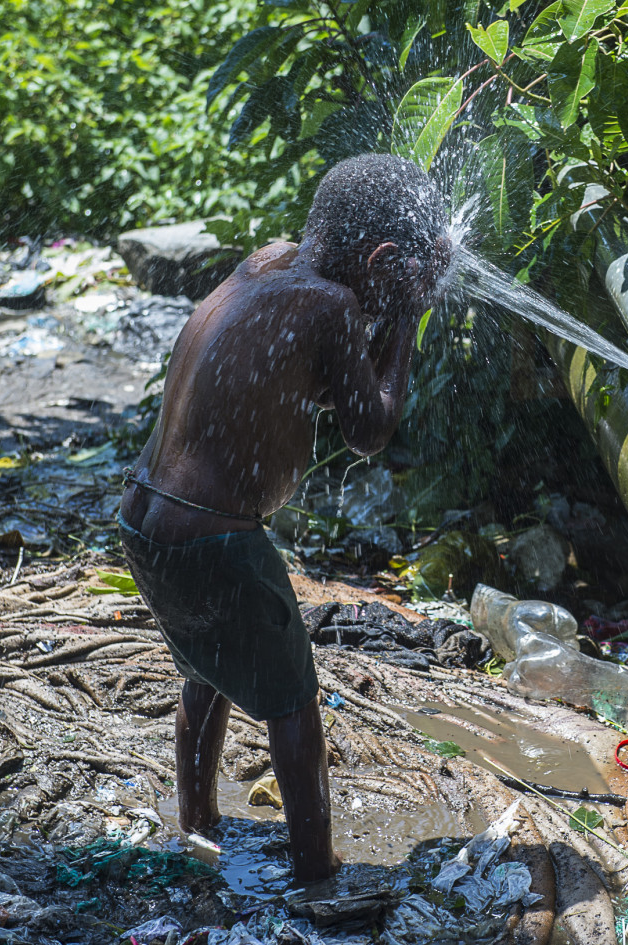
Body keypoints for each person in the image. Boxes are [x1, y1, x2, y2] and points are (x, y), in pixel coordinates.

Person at [118, 154, 451, 882]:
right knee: (294, 699)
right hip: (213, 536)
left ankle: (198, 821)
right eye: (400, 273)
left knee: (206, 664)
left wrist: (393, 301)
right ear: (382, 260)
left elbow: (322, 382)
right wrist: (408, 312)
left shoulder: (271, 264)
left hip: (147, 518)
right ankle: (315, 870)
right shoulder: (332, 307)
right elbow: (370, 426)